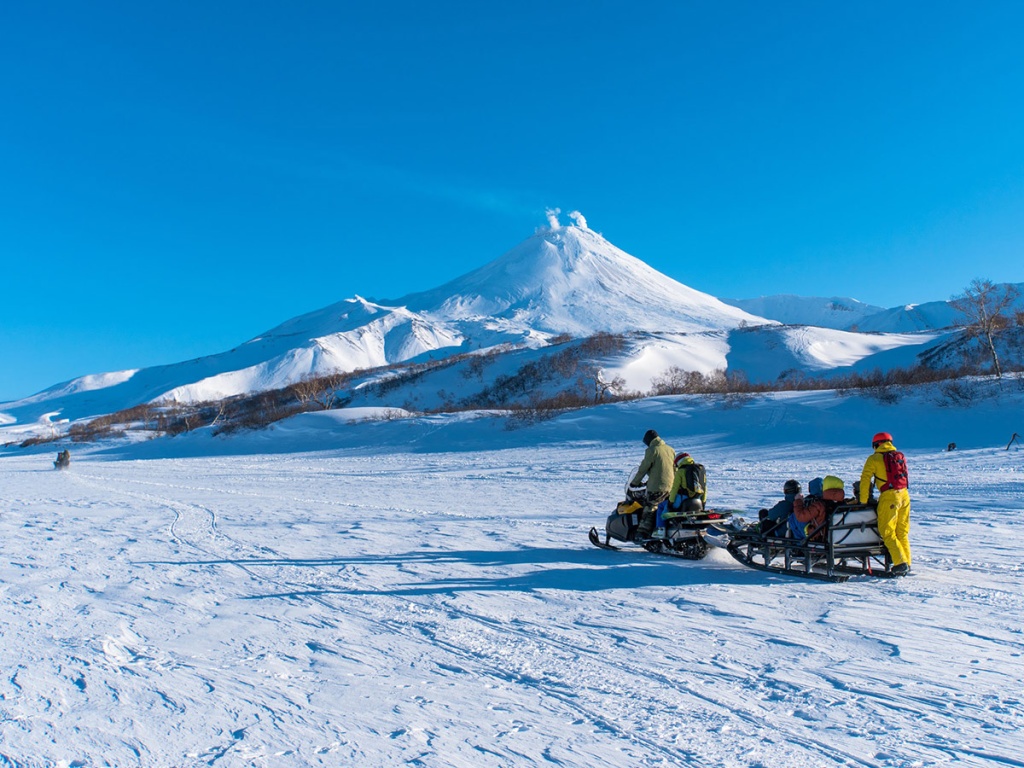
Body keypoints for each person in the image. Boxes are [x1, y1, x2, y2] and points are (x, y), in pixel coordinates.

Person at [859, 432, 911, 576]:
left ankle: (900, 563)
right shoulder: (898, 456)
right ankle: (907, 561)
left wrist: (863, 501)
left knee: (887, 531)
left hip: (889, 497)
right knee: (902, 531)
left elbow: (865, 480)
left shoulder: (874, 458)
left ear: (876, 444)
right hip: (904, 495)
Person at [629, 429, 675, 541]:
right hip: (671, 486)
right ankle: (661, 530)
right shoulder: (670, 449)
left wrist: (634, 483)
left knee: (650, 508)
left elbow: (643, 468)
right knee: (664, 509)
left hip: (657, 486)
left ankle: (642, 534)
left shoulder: (652, 450)